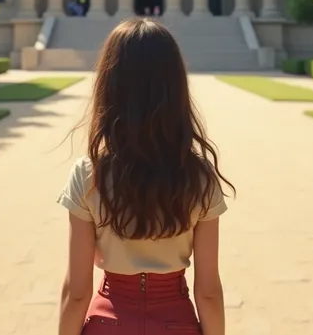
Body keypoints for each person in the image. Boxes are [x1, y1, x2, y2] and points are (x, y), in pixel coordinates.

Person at [57, 18, 235, 335]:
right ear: (176, 87)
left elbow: (77, 293)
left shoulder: (89, 174)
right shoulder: (200, 178)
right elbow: (208, 291)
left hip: (106, 323)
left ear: (109, 86)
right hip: (176, 322)